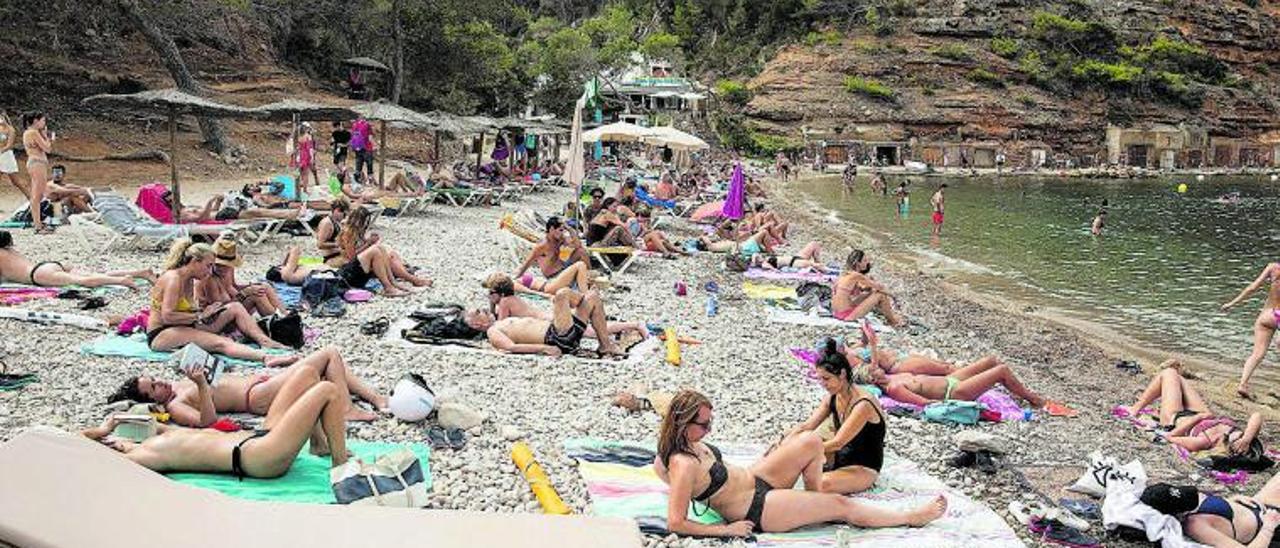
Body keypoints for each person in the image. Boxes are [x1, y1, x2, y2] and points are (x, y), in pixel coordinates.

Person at [653, 390, 945, 537]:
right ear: (683, 423)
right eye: (704, 425)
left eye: (710, 422)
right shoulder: (682, 464)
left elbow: (662, 469)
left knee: (810, 441)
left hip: (756, 477)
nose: (710, 430)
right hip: (756, 507)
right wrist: (726, 530)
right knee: (841, 504)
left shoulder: (676, 452)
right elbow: (676, 522)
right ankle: (910, 517)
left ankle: (814, 500)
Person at [83, 369, 350, 479]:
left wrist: (115, 421)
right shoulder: (144, 455)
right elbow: (74, 446)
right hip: (258, 457)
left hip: (258, 437)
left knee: (308, 374)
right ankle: (341, 467)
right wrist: (102, 431)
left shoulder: (159, 434)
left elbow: (140, 420)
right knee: (327, 390)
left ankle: (318, 444)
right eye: (109, 441)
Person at [107, 346, 386, 427]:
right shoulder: (176, 405)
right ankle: (345, 410)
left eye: (154, 379)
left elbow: (221, 378)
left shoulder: (179, 383)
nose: (160, 382)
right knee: (329, 354)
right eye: (154, 387)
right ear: (153, 401)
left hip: (259, 383)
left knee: (331, 366)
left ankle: (376, 398)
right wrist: (201, 385)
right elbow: (207, 422)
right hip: (256, 398)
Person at [146, 239, 297, 365]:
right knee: (221, 342)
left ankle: (265, 340)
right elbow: (168, 316)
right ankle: (266, 358)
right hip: (163, 333)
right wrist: (200, 315)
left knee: (235, 307)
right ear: (195, 262)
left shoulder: (189, 279)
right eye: (208, 265)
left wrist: (206, 312)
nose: (210, 270)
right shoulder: (174, 279)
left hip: (185, 325)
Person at [778, 339, 886, 494]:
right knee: (789, 454)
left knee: (819, 484)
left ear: (842, 374)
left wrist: (798, 451)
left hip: (862, 466)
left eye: (827, 379)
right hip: (838, 457)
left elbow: (838, 443)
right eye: (820, 379)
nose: (823, 384)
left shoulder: (863, 404)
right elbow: (807, 426)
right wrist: (785, 442)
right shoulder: (833, 397)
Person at [1121, 362, 1263, 456]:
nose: (1238, 433)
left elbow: (1170, 437)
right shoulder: (1241, 437)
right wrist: (1246, 439)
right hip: (1201, 413)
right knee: (1177, 377)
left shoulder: (1205, 441)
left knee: (1169, 373)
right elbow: (1257, 416)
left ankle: (1135, 409)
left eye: (1238, 437)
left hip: (1176, 418)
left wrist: (1198, 418)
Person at [482, 273, 645, 342]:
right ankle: (628, 326)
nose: (489, 295)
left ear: (499, 293)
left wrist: (492, 305)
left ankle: (634, 325)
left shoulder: (505, 302)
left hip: (551, 322)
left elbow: (501, 326)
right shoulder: (512, 299)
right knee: (592, 328)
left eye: (491, 292)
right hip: (549, 317)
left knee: (591, 332)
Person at [856, 351, 1047, 408]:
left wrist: (871, 341)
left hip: (950, 380)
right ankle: (1033, 399)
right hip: (954, 392)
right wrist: (951, 405)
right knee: (1001, 371)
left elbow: (874, 359)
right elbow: (922, 402)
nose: (877, 367)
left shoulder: (891, 377)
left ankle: (1017, 390)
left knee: (991, 361)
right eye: (874, 370)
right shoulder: (894, 388)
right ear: (872, 380)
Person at [470, 288, 624, 357]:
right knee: (562, 294)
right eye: (478, 312)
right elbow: (510, 347)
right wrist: (545, 348)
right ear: (477, 325)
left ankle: (605, 346)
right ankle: (578, 302)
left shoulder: (500, 322)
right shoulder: (492, 331)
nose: (483, 310)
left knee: (593, 297)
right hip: (556, 338)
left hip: (562, 333)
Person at [1140, 480, 1280, 547]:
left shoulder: (1190, 506)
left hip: (1257, 506)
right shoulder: (1195, 526)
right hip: (1268, 526)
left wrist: (1232, 500)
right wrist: (1268, 528)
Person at [0, 230, 153, 289]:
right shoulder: (9, 250)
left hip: (38, 274)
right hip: (47, 266)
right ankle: (141, 272)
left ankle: (122, 281)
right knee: (93, 274)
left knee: (82, 281)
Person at [333, 207, 431, 296]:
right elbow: (351, 257)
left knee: (382, 248)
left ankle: (393, 283)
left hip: (360, 267)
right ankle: (391, 286)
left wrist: (370, 242)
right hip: (350, 272)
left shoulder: (358, 232)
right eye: (364, 222)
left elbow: (360, 250)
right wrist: (368, 244)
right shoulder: (348, 232)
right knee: (376, 250)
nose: (366, 224)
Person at [1222, 261, 1280, 399]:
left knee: (1257, 354)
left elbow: (1252, 288)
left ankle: (1243, 384)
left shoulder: (1273, 267)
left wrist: (1231, 303)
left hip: (1266, 315)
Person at [197, 236, 284, 317]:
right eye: (217, 265)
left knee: (264, 286)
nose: (221, 268)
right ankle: (278, 321)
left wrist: (252, 286)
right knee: (257, 296)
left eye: (225, 265)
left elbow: (234, 286)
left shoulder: (230, 269)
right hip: (220, 314)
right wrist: (245, 293)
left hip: (233, 303)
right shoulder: (209, 279)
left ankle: (285, 315)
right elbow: (218, 308)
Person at [832, 250, 905, 326]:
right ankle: (893, 321)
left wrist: (869, 287)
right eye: (865, 260)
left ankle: (889, 315)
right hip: (847, 315)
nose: (867, 263)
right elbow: (880, 287)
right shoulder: (856, 275)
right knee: (880, 295)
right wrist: (895, 298)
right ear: (858, 263)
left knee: (869, 293)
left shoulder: (844, 275)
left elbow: (864, 289)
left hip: (837, 313)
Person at [514, 216, 589, 280]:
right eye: (560, 230)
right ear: (552, 229)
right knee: (579, 261)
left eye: (563, 230)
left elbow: (577, 245)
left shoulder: (560, 239)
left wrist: (570, 229)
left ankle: (590, 274)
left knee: (581, 251)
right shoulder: (543, 245)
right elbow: (528, 262)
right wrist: (517, 277)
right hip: (553, 275)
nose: (562, 233)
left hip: (562, 267)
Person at [21, 112, 55, 234]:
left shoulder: (28, 133)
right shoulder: (33, 133)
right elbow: (47, 148)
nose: (44, 123)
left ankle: (38, 222)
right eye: (43, 121)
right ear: (36, 121)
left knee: (38, 194)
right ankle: (37, 225)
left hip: (36, 163)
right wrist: (47, 137)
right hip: (37, 163)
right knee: (37, 195)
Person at [0, 110, 27, 200]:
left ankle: (30, 197)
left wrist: (1, 151)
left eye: (1, 118)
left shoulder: (11, 130)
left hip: (6, 156)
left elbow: (9, 145)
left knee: (15, 181)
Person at [316, 197, 350, 266]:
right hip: (331, 258)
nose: (344, 217)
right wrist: (338, 244)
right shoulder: (327, 223)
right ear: (337, 210)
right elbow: (320, 244)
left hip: (339, 254)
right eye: (344, 214)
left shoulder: (336, 221)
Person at [752, 241, 826, 272]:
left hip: (795, 257)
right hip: (794, 263)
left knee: (813, 244)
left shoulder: (766, 258)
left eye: (759, 255)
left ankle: (818, 262)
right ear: (757, 262)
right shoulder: (764, 264)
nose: (760, 256)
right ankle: (823, 268)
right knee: (816, 265)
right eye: (758, 257)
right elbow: (774, 270)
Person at [294, 123, 317, 196]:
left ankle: (298, 188)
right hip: (305, 155)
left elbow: (295, 147)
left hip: (298, 155)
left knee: (299, 173)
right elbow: (310, 148)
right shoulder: (307, 136)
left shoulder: (297, 137)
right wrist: (312, 157)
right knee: (306, 174)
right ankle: (305, 190)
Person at [350, 116, 373, 181]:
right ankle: (370, 179)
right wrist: (375, 146)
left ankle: (357, 178)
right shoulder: (367, 125)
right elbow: (370, 138)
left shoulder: (354, 125)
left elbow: (352, 137)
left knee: (358, 164)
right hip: (367, 147)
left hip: (357, 148)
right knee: (369, 164)